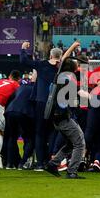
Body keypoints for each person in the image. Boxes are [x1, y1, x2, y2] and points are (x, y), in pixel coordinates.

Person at [20, 40, 80, 171]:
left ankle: (40, 163)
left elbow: (24, 61)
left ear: (50, 56)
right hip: (55, 103)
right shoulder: (60, 67)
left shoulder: (42, 65)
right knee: (53, 131)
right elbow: (65, 58)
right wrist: (73, 46)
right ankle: (50, 160)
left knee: (40, 133)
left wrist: (23, 49)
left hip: (41, 102)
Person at [44, 45, 86, 179]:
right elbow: (72, 102)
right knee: (79, 143)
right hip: (63, 117)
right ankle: (72, 171)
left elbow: (63, 61)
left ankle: (53, 164)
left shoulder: (59, 76)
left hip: (56, 117)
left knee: (70, 143)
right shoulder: (69, 80)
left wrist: (72, 48)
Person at [4, 72, 36, 169]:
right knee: (30, 138)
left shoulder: (22, 87)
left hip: (10, 111)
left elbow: (11, 98)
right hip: (24, 112)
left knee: (12, 137)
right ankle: (23, 163)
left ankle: (10, 163)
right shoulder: (37, 89)